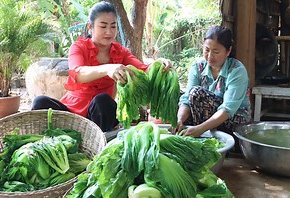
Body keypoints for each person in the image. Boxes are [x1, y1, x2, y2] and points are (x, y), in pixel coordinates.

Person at [31, 1, 172, 132]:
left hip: (101, 115)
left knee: (103, 100)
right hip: (72, 112)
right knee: (40, 102)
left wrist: (159, 64)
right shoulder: (79, 47)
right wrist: (108, 68)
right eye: (103, 26)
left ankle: (99, 144)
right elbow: (78, 73)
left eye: (113, 26)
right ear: (90, 27)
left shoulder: (120, 52)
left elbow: (143, 69)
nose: (109, 32)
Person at [174, 25, 251, 137]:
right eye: (207, 50)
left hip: (234, 119)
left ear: (228, 51)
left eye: (216, 52)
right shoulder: (198, 66)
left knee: (196, 94)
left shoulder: (236, 71)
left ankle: (206, 136)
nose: (210, 56)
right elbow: (186, 100)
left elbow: (227, 109)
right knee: (178, 96)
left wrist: (200, 129)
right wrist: (179, 120)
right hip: (205, 117)